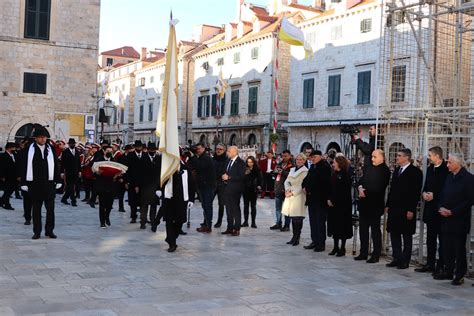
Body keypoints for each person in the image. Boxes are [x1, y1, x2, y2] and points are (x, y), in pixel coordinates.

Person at [434, 153, 473, 285]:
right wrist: (440, 207)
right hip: (446, 218)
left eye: (450, 162)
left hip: (459, 220)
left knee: (458, 249)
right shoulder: (449, 176)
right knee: (446, 247)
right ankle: (448, 271)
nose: (447, 164)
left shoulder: (468, 178)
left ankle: (460, 274)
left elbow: (469, 201)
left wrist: (452, 212)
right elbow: (443, 194)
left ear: (458, 163)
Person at [17, 126, 62, 239]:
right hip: (35, 185)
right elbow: (24, 166)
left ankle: (49, 230)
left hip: (49, 184)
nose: (42, 139)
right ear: (35, 138)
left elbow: (56, 165)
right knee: (36, 210)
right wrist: (24, 182)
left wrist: (58, 180)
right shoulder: (29, 150)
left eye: (44, 137)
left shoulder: (51, 149)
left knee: (50, 210)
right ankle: (37, 232)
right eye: (40, 137)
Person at [385, 148, 423, 269]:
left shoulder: (415, 172)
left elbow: (415, 193)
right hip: (394, 208)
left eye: (399, 156)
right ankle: (397, 258)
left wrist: (411, 209)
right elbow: (392, 189)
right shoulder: (397, 171)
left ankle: (405, 260)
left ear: (407, 157)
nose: (397, 158)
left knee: (406, 235)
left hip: (406, 209)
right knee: (394, 233)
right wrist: (388, 204)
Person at [415, 146, 449, 275]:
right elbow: (427, 184)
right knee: (430, 238)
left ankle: (441, 265)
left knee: (442, 239)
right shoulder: (430, 169)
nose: (428, 158)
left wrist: (435, 195)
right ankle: (430, 263)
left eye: (430, 155)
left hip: (440, 209)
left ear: (437, 156)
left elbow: (446, 188)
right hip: (430, 208)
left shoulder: (446, 169)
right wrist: (424, 193)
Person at [355, 149, 391, 263]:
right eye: (372, 157)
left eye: (375, 157)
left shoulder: (385, 171)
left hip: (375, 204)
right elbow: (361, 181)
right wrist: (360, 188)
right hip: (364, 204)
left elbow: (379, 187)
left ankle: (376, 254)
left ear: (382, 157)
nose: (372, 159)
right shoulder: (368, 167)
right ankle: (363, 252)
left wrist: (364, 191)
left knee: (375, 230)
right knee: (363, 229)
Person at [160, 162, 195, 252]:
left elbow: (191, 185)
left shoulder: (186, 169)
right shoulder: (166, 168)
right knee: (169, 220)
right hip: (169, 198)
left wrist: (191, 199)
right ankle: (172, 243)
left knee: (181, 220)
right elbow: (159, 179)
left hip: (182, 199)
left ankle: (171, 237)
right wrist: (158, 189)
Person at [302, 150, 332, 252]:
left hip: (320, 199)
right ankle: (314, 240)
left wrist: (309, 188)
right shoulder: (312, 167)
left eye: (314, 157)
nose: (313, 159)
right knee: (313, 221)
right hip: (312, 199)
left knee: (320, 222)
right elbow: (306, 179)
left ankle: (321, 243)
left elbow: (321, 182)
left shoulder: (324, 167)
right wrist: (304, 187)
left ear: (320, 156)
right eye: (312, 157)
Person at [327, 155, 354, 256]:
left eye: (334, 162)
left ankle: (342, 248)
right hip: (333, 205)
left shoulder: (346, 175)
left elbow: (343, 191)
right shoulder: (334, 174)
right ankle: (335, 246)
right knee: (334, 226)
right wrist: (329, 198)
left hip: (342, 205)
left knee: (342, 226)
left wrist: (334, 200)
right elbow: (330, 188)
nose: (333, 164)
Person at [281, 153, 309, 246]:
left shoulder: (305, 171)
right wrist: (287, 190)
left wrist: (293, 192)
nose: (299, 161)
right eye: (297, 159)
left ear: (304, 161)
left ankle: (297, 237)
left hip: (299, 196)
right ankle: (293, 237)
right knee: (293, 217)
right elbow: (287, 181)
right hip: (290, 194)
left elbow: (302, 184)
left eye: (301, 159)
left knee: (298, 218)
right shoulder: (292, 169)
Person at [221, 146, 246, 236]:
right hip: (227, 188)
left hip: (236, 189)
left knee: (235, 209)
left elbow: (241, 177)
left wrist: (229, 177)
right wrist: (224, 177)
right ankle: (229, 227)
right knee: (228, 209)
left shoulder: (241, 162)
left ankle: (237, 228)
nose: (227, 152)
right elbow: (225, 172)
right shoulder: (228, 161)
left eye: (229, 151)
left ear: (235, 152)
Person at [192, 143, 216, 233]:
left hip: (207, 186)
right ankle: (206, 222)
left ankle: (208, 226)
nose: (197, 150)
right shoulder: (202, 157)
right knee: (205, 206)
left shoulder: (205, 158)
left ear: (203, 149)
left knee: (207, 206)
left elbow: (200, 166)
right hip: (203, 186)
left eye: (199, 149)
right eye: (196, 149)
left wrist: (192, 157)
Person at [93, 145, 119, 228]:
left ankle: (107, 216)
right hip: (102, 185)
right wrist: (97, 173)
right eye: (107, 151)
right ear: (104, 151)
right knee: (102, 204)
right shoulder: (99, 159)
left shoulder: (113, 160)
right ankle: (102, 222)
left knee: (109, 204)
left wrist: (116, 175)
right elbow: (94, 170)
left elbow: (116, 170)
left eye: (111, 151)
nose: (109, 152)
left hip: (111, 185)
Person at [139, 142, 161, 230]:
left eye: (154, 150)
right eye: (151, 150)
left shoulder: (159, 158)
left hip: (155, 185)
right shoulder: (143, 158)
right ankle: (143, 221)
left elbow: (160, 172)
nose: (152, 151)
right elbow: (139, 173)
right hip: (145, 185)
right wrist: (138, 185)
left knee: (153, 205)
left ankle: (153, 221)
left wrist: (159, 186)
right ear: (148, 150)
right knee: (144, 205)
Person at [270, 150, 293, 231]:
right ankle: (278, 223)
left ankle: (287, 225)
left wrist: (282, 171)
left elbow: (292, 176)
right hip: (278, 188)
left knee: (287, 209)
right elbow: (273, 174)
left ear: (290, 155)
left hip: (287, 189)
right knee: (278, 208)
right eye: (283, 156)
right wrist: (274, 172)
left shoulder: (292, 165)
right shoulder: (279, 163)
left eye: (286, 156)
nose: (284, 157)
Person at [124, 140, 144, 223]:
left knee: (142, 201)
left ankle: (143, 217)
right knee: (133, 201)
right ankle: (133, 216)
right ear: (135, 147)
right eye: (137, 147)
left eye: (140, 147)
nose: (138, 148)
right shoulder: (130, 155)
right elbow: (126, 169)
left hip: (142, 183)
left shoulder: (145, 156)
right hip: (132, 182)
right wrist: (126, 181)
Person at [60, 138, 81, 207]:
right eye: (71, 143)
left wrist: (80, 171)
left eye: (73, 143)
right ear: (69, 144)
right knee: (71, 187)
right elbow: (62, 163)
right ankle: (73, 200)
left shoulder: (77, 152)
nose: (72, 145)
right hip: (68, 172)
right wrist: (62, 172)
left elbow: (79, 162)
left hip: (76, 172)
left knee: (70, 187)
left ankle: (64, 198)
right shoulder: (65, 152)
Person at [242, 156, 262, 228]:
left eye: (251, 162)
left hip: (253, 190)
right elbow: (241, 179)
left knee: (253, 206)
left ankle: (253, 222)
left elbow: (260, 179)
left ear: (253, 162)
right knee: (245, 206)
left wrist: (259, 185)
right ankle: (245, 221)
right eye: (248, 162)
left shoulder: (257, 169)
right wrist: (244, 174)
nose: (249, 163)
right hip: (246, 190)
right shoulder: (244, 169)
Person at [212, 143, 227, 228]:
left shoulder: (227, 160)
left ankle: (219, 221)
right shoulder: (212, 159)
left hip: (222, 184)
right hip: (213, 184)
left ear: (224, 150)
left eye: (220, 149)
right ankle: (206, 220)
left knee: (221, 204)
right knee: (208, 202)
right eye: (217, 148)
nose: (218, 150)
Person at [0, 142, 19, 210]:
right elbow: (1, 167)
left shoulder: (14, 155)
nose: (14, 149)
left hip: (13, 177)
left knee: (10, 190)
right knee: (7, 191)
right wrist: (2, 176)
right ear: (9, 148)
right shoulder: (3, 156)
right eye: (13, 147)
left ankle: (1, 201)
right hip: (6, 177)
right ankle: (7, 205)